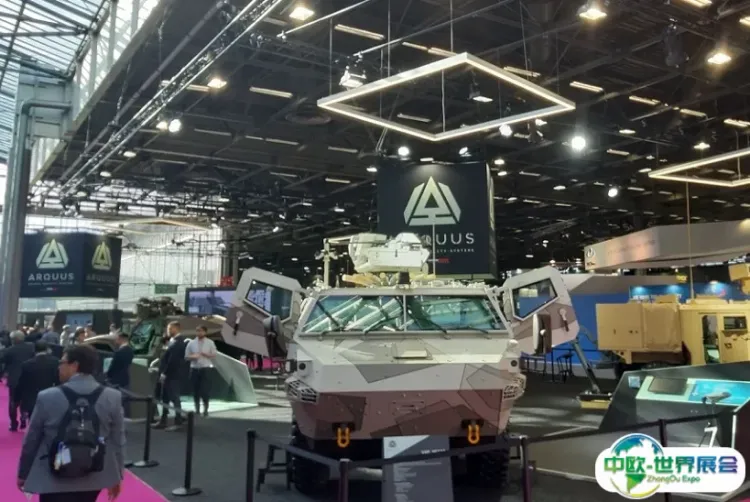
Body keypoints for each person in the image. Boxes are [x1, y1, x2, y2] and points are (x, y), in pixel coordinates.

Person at [17, 345, 124, 502]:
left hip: (53, 474)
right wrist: (117, 475)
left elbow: (32, 439)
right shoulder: (113, 396)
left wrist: (23, 473)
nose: (59, 367)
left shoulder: (47, 396)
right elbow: (117, 440)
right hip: (93, 474)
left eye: (62, 362)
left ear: (74, 365)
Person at [153, 321, 187, 430]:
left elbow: (173, 361)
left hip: (172, 375)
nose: (168, 330)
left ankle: (178, 421)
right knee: (165, 398)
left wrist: (165, 373)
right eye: (168, 328)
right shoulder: (172, 341)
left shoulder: (178, 342)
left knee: (174, 397)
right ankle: (163, 420)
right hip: (168, 375)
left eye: (170, 328)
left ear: (176, 329)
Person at [0, 331, 35, 431]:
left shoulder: (9, 350)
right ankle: (25, 418)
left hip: (14, 379)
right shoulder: (31, 347)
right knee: (28, 400)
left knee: (13, 402)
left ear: (13, 340)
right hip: (29, 378)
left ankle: (14, 424)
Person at [16, 342, 59, 419]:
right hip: (50, 397)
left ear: (34, 350)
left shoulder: (26, 364)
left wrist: (17, 399)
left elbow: (22, 383)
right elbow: (58, 380)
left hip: (32, 399)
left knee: (32, 420)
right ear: (47, 349)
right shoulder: (55, 362)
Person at [185, 325, 217, 417]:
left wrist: (206, 354)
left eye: (201, 331)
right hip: (194, 369)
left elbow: (214, 354)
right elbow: (186, 356)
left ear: (205, 332)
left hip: (205, 369)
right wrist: (193, 356)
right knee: (196, 391)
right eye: (198, 331)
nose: (199, 332)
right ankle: (197, 410)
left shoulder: (210, 342)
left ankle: (205, 409)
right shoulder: (191, 343)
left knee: (205, 390)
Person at [106, 334, 134, 417]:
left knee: (114, 400)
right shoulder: (130, 351)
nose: (116, 341)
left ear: (121, 339)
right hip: (125, 378)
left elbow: (113, 366)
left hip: (115, 380)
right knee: (124, 400)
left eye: (117, 339)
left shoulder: (119, 352)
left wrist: (108, 375)